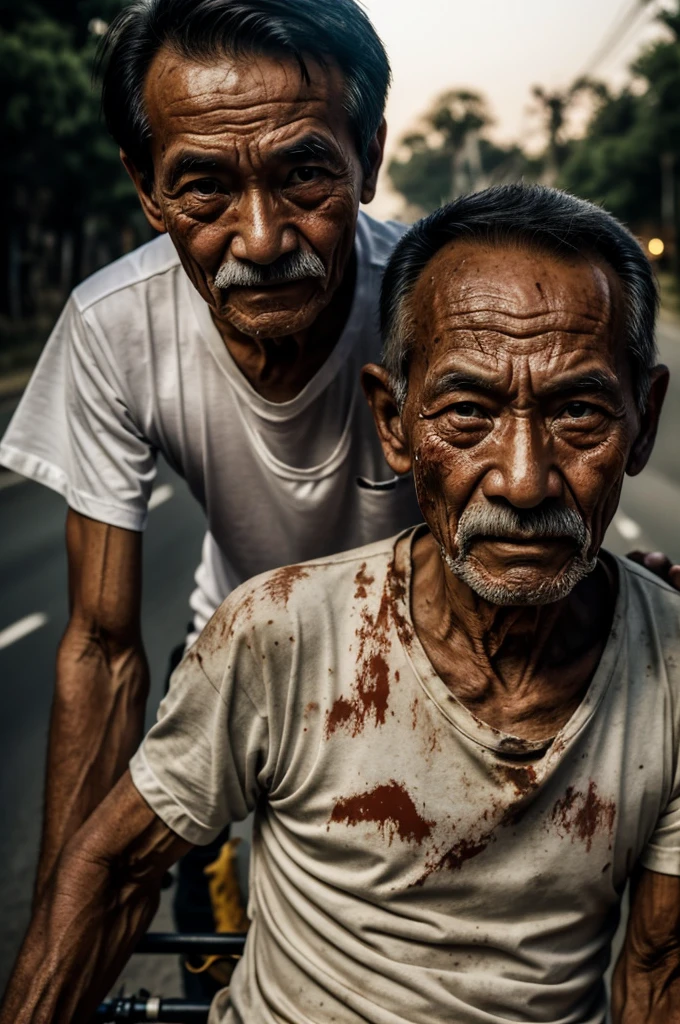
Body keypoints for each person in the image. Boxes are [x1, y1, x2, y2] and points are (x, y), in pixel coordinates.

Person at [3, 183, 680, 1024]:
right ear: (393, 424)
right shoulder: (277, 634)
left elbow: (659, 968)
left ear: (642, 423)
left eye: (579, 411)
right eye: (467, 412)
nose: (524, 478)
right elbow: (112, 870)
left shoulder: (674, 671)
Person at [0, 0, 421, 949]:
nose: (263, 239)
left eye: (306, 173)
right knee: (208, 940)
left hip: (425, 664)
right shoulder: (116, 329)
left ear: (372, 158)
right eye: (204, 190)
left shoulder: (434, 309)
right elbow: (105, 649)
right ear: (147, 190)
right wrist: (58, 932)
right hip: (236, 659)